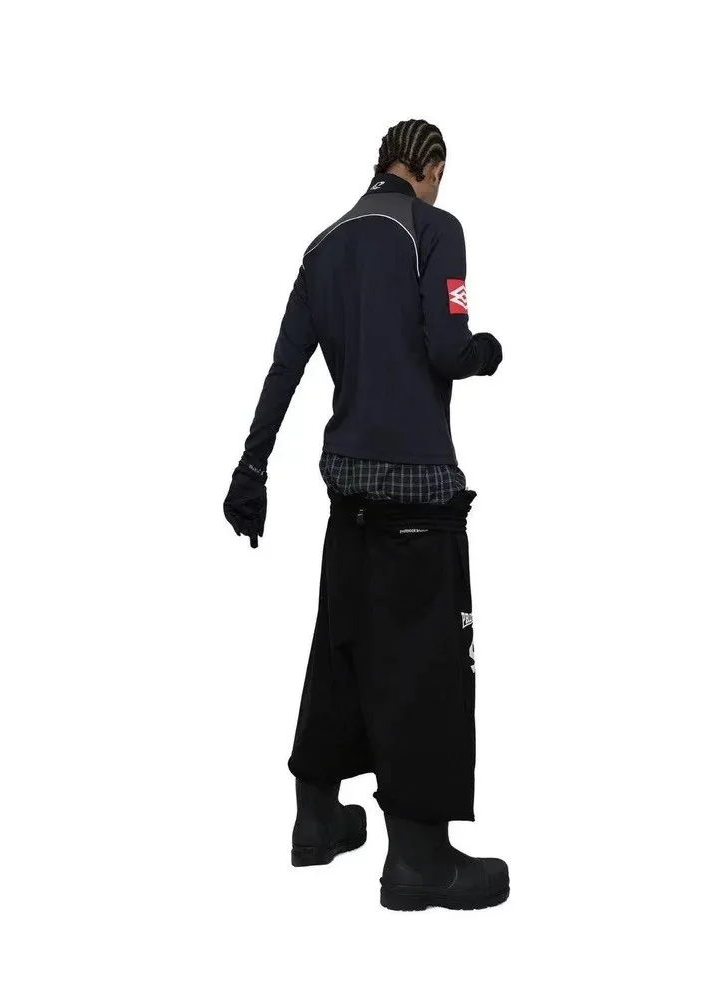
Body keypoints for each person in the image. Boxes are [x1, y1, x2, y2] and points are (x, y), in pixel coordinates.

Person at [224, 119, 509, 911]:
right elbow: (448, 348)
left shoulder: (324, 246)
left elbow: (284, 367)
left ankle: (317, 819)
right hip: (418, 497)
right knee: (428, 669)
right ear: (433, 167)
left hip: (346, 495)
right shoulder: (435, 229)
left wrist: (252, 470)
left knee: (343, 650)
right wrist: (486, 351)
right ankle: (420, 861)